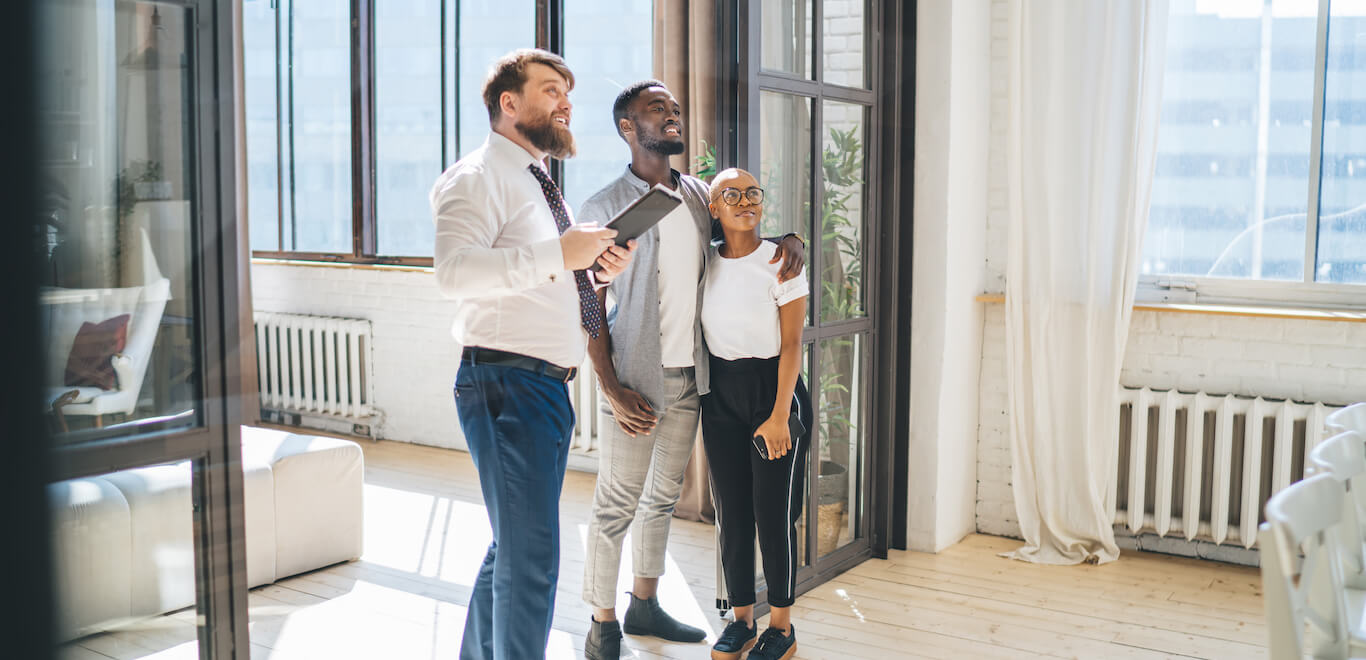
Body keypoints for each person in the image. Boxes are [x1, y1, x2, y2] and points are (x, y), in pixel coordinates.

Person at [577, 81, 806, 660]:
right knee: (617, 503)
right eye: (658, 110)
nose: (672, 116)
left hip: (694, 380)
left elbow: (741, 242)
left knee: (662, 499)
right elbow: (587, 303)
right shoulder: (603, 206)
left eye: (675, 109)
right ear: (628, 128)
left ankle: (645, 604)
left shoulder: (700, 195)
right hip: (634, 378)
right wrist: (609, 385)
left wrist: (789, 239)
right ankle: (601, 624)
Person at [429, 48, 636, 660]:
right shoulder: (478, 176)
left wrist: (592, 274)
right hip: (507, 384)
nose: (566, 101)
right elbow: (453, 272)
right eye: (551, 89)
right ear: (509, 103)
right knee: (534, 554)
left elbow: (538, 283)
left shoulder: (538, 185)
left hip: (540, 387)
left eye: (568, 92)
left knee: (514, 547)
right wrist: (560, 256)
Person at [698, 168, 811, 660]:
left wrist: (780, 415)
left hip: (774, 394)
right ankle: (742, 620)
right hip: (719, 395)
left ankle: (781, 627)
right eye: (731, 194)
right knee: (732, 514)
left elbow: (791, 345)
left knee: (773, 514)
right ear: (714, 208)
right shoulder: (705, 264)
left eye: (753, 193)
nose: (745, 201)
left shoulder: (782, 262)